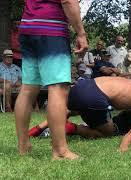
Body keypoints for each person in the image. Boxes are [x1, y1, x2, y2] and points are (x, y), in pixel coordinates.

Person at [15, 0, 88, 160]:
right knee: (58, 88)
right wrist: (81, 33)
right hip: (50, 28)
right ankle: (60, 151)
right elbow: (68, 1)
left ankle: (23, 145)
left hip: (28, 27)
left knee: (28, 88)